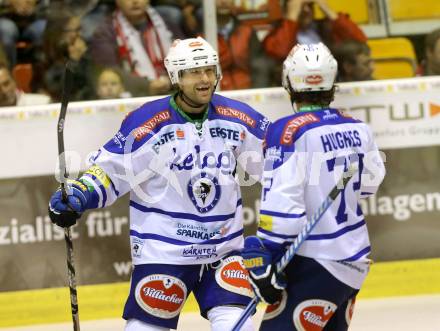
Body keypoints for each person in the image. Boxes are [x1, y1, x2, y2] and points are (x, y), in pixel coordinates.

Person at [48, 37, 270, 331]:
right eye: (194, 72)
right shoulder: (148, 123)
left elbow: (277, 161)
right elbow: (109, 170)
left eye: (209, 70)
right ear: (176, 76)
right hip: (164, 253)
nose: (204, 79)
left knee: (236, 326)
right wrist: (81, 192)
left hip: (223, 252)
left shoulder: (238, 117)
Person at [241, 43, 385, 330]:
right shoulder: (358, 127)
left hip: (314, 263)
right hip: (353, 260)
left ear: (288, 82)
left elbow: (284, 208)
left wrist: (268, 252)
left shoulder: (286, 130)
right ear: (332, 81)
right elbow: (369, 184)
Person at [90, 0, 174, 97]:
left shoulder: (166, 24)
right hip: (131, 97)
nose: (135, 1)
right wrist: (147, 86)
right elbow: (110, 70)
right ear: (117, 1)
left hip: (172, 89)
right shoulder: (104, 33)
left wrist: (170, 81)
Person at [216, 0, 274, 90]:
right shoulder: (200, 34)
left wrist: (257, 94)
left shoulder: (246, 31)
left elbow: (260, 69)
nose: (223, 1)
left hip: (247, 93)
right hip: (216, 96)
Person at [0, 0, 47, 67]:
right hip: (6, 19)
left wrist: (33, 4)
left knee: (43, 28)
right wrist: (11, 2)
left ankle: (39, 70)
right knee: (7, 30)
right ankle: (8, 70)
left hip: (33, 21)